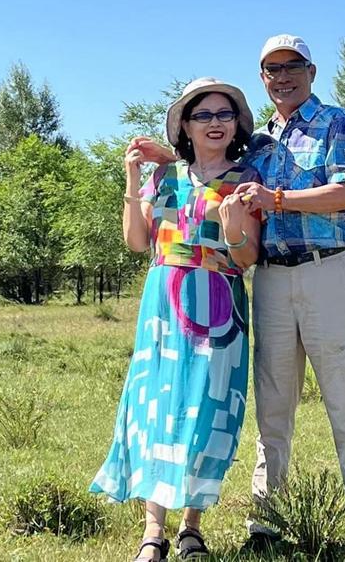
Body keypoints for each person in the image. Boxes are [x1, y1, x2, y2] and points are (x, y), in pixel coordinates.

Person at [134, 35, 345, 557]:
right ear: (262, 79)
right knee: (273, 403)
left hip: (327, 272)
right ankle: (266, 518)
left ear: (311, 70)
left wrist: (277, 198)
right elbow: (210, 161)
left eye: (291, 67)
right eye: (271, 70)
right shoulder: (259, 142)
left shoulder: (335, 122)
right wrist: (168, 154)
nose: (282, 77)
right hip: (271, 278)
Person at [90, 78, 261, 562]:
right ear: (185, 126)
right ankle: (152, 532)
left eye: (223, 115)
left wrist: (231, 230)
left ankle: (191, 529)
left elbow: (247, 257)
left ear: (236, 126)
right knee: (157, 408)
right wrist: (132, 178)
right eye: (203, 115)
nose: (215, 124)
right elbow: (138, 242)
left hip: (220, 303)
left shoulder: (245, 181)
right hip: (163, 303)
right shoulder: (165, 179)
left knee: (204, 411)